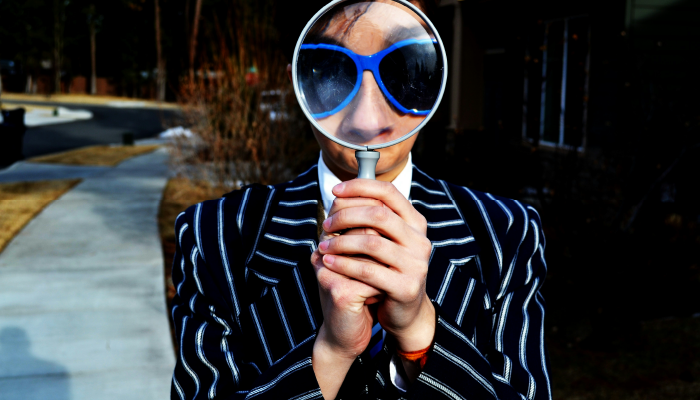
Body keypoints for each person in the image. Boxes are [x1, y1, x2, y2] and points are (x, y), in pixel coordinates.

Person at [170, 0, 552, 399]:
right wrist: (331, 353)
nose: (366, 122)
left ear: (435, 75)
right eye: (332, 72)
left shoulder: (506, 233)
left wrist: (420, 332)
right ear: (298, 84)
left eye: (402, 68)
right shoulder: (214, 236)